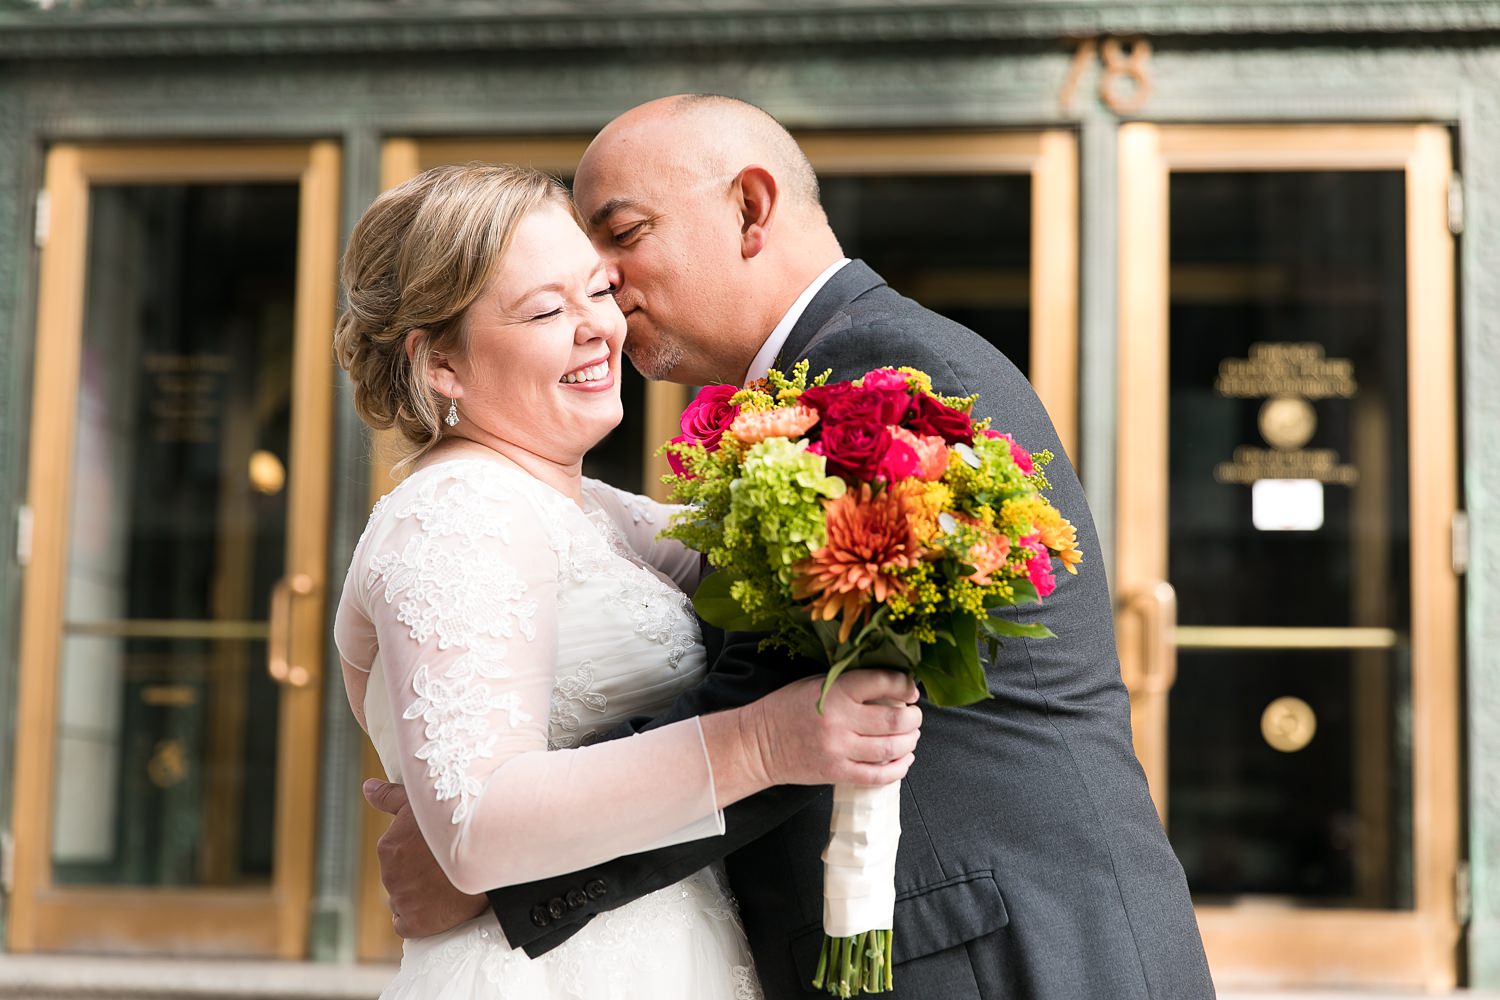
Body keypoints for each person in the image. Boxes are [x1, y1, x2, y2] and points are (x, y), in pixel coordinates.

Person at [366, 96, 1217, 999]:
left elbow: (790, 708)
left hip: (998, 946)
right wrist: (480, 826)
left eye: (622, 237)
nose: (606, 288)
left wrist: (500, 869)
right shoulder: (811, 386)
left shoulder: (885, 381)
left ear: (749, 209)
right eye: (554, 294)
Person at [332, 161, 924, 999]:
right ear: (441, 366)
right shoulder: (455, 511)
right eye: (545, 309)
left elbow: (763, 565)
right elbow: (477, 828)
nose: (598, 329)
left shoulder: (585, 508)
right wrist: (761, 742)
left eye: (598, 291)